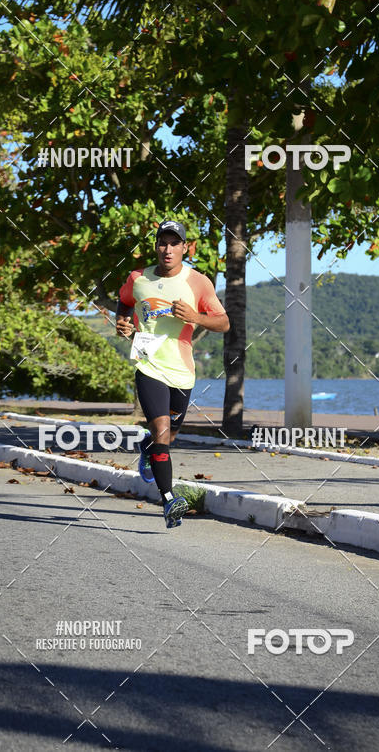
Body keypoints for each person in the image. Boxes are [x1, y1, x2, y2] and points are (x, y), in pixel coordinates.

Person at [116, 219, 230, 528]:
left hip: (182, 370)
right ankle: (169, 500)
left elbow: (223, 322)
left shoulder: (198, 282)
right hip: (148, 363)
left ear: (184, 248)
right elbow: (124, 303)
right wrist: (123, 323)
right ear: (156, 246)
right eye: (162, 243)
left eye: (173, 243)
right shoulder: (138, 278)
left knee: (168, 436)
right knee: (162, 430)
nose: (167, 249)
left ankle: (147, 449)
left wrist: (196, 317)